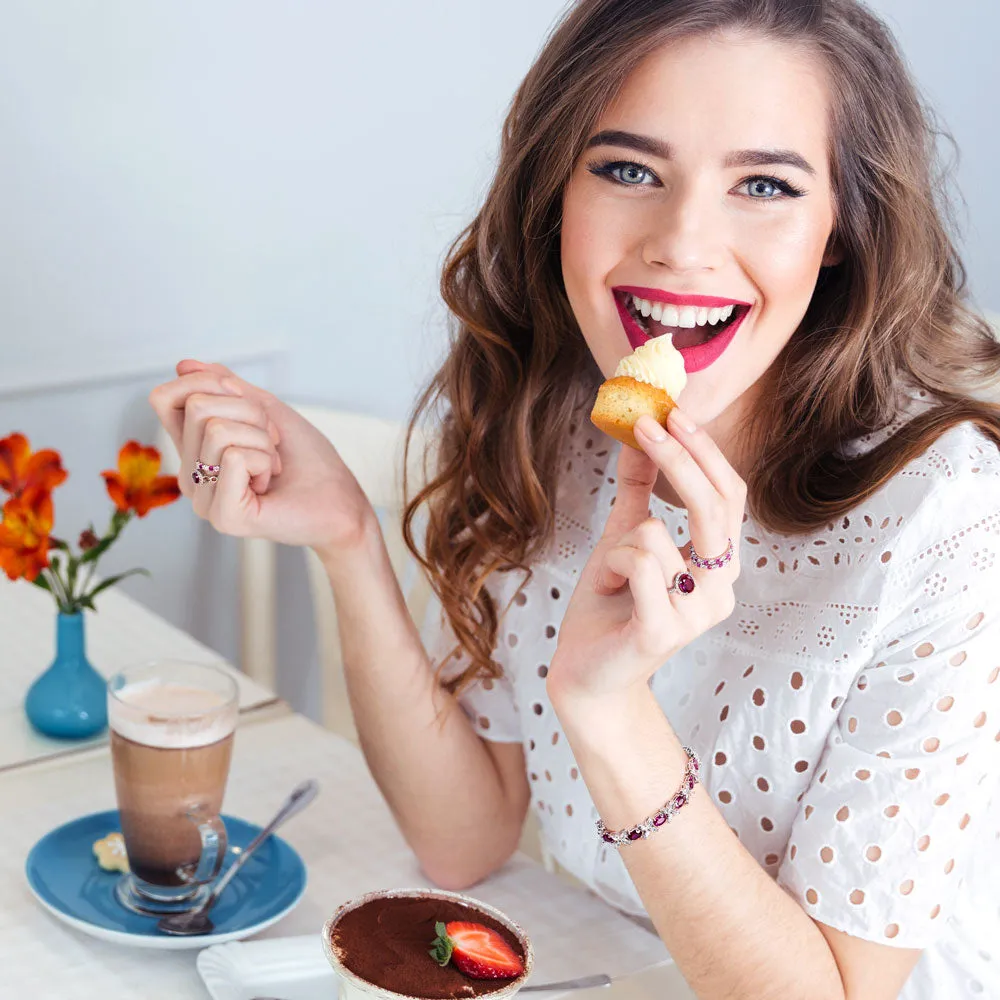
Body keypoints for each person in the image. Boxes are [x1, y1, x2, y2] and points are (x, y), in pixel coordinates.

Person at [149, 1, 1000, 997]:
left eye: (764, 184)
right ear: (555, 191)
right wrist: (344, 538)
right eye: (629, 169)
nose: (682, 243)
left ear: (839, 233)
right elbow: (462, 841)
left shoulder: (947, 528)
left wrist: (612, 712)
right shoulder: (556, 420)